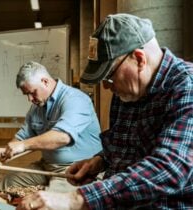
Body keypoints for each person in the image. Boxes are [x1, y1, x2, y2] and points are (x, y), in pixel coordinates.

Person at [16, 13, 193, 210]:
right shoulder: (128, 90)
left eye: (109, 76)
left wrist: (75, 199)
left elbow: (170, 168)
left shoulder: (187, 88)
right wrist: (100, 160)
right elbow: (124, 144)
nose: (107, 87)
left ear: (139, 59)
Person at [0, 61, 102, 190]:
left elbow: (62, 137)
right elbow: (24, 135)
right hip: (46, 166)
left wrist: (22, 146)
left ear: (45, 81)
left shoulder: (75, 99)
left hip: (76, 169)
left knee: (48, 202)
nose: (30, 99)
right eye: (26, 94)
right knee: (1, 185)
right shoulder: (37, 107)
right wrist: (7, 151)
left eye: (32, 92)